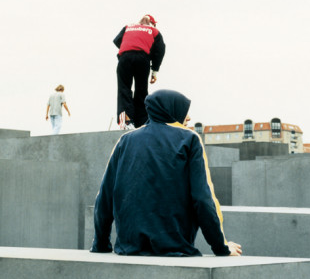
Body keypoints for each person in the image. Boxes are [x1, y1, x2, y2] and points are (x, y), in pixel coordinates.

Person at [91, 89, 242, 257]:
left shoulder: (125, 141)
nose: (189, 118)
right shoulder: (189, 139)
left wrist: (101, 244)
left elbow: (104, 199)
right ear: (171, 110)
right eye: (185, 111)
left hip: (129, 250)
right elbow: (203, 199)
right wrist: (221, 247)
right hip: (175, 249)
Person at [112, 14, 166, 130]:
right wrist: (154, 71)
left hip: (125, 57)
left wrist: (129, 47)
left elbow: (117, 41)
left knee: (124, 89)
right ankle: (141, 122)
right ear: (152, 24)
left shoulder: (128, 27)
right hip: (143, 59)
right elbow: (160, 50)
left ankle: (126, 122)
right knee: (141, 91)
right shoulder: (154, 31)